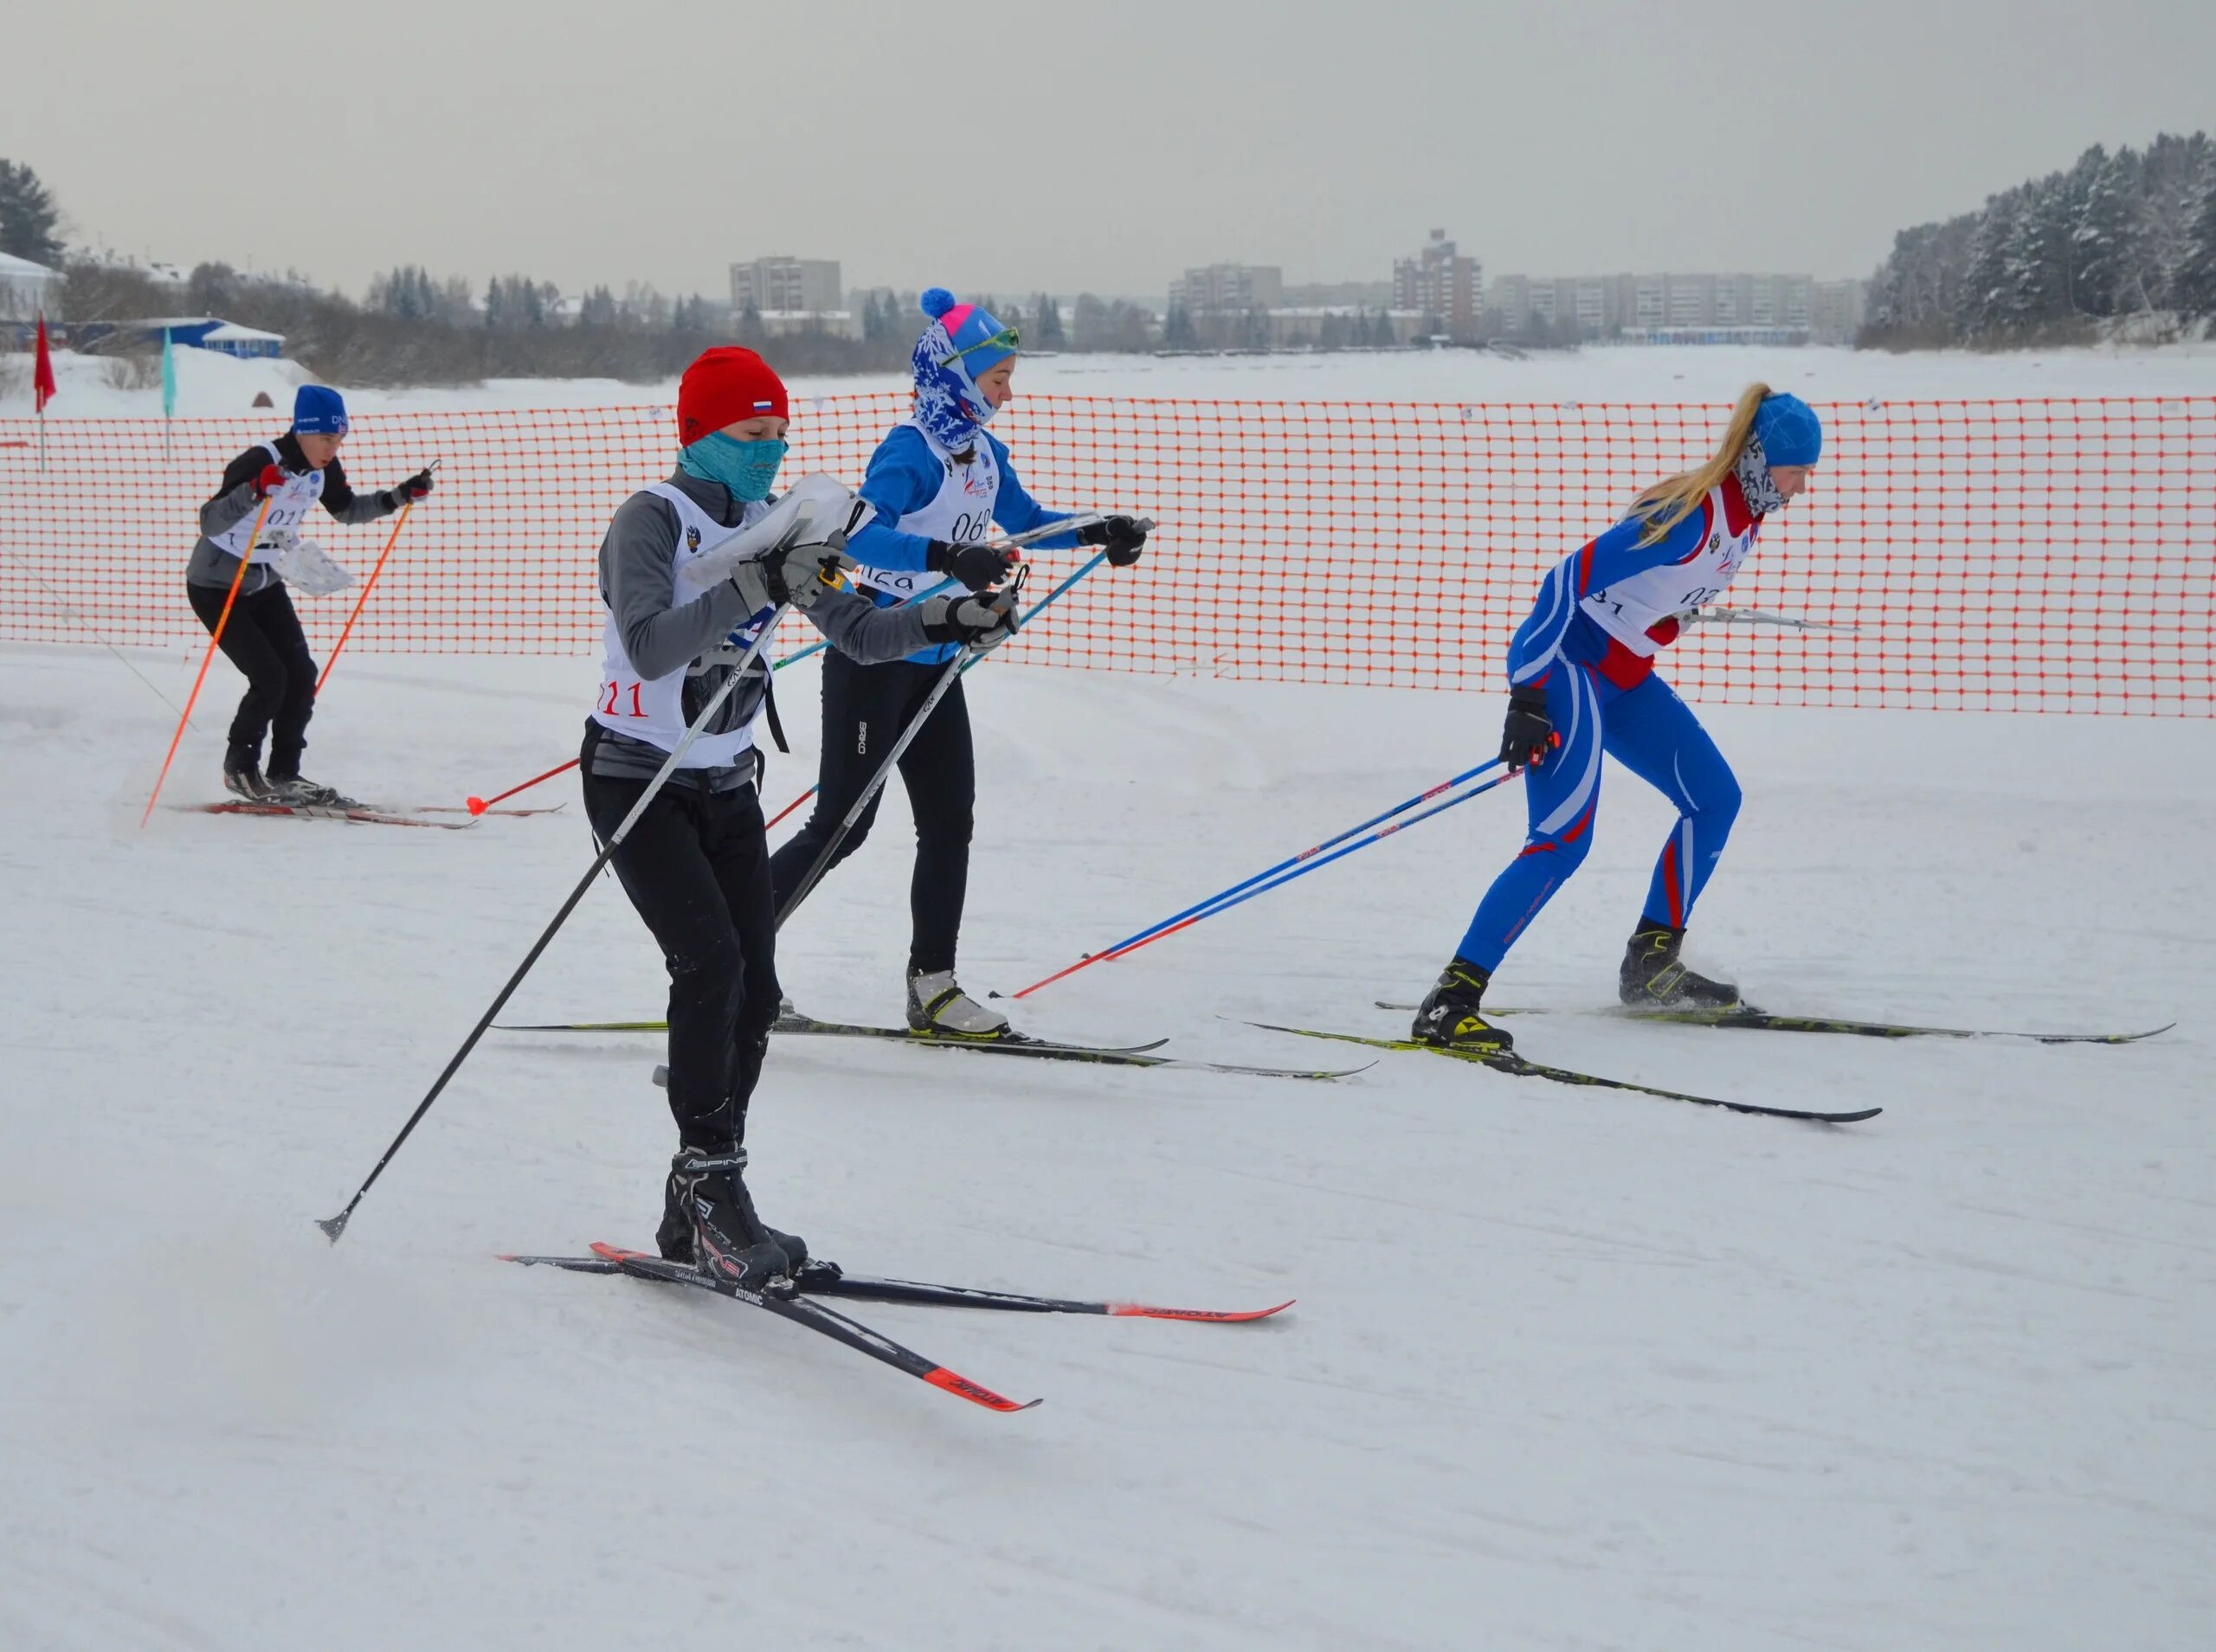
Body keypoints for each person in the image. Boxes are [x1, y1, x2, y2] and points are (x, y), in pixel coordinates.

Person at [582, 345, 1017, 1289]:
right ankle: (709, 1184)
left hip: (724, 780)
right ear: (698, 433)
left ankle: (700, 1198)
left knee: (759, 991)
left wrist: (951, 620)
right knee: (712, 965)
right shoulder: (649, 522)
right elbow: (653, 645)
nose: (770, 454)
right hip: (636, 779)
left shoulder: (778, 529)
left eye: (780, 436)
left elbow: (859, 631)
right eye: (751, 436)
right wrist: (757, 584)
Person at [768, 287, 1150, 1037]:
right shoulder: (911, 450)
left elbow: (1027, 522)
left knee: (950, 823)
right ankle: (737, 953)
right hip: (873, 653)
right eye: (998, 379)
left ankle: (933, 987)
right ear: (955, 376)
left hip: (939, 657)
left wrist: (1098, 530)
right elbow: (857, 538)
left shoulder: (982, 451)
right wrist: (948, 555)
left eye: (1009, 379)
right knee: (843, 827)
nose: (1008, 393)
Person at [1411, 384, 1823, 1051]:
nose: (1805, 485)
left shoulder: (1746, 515)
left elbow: (1651, 598)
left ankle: (1651, 966)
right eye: (1798, 468)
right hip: (1569, 670)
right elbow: (1566, 580)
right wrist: (1528, 692)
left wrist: (1670, 615)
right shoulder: (1693, 517)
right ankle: (1451, 1001)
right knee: (1561, 841)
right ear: (1759, 459)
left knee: (1714, 798)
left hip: (1626, 678)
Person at [188, 384, 434, 803]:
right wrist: (253, 491)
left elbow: (347, 510)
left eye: (339, 441)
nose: (333, 449)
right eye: (326, 439)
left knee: (301, 675)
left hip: (265, 580)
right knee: (270, 677)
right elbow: (210, 521)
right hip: (217, 585)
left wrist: (398, 496)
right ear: (302, 431)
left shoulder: (322, 469)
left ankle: (284, 773)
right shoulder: (260, 459)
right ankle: (240, 769)